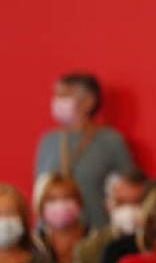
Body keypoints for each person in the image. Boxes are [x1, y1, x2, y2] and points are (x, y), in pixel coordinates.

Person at [33, 73, 135, 229]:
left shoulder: (111, 141)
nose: (57, 101)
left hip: (95, 231)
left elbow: (129, 189)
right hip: (50, 234)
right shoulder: (49, 141)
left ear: (89, 101)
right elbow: (39, 191)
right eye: (56, 95)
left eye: (65, 95)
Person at [65, 169, 146, 263]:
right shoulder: (90, 249)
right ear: (108, 205)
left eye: (137, 203)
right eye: (121, 202)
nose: (129, 210)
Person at [30, 173, 88, 263]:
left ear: (79, 201)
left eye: (67, 197)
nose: (61, 204)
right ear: (41, 205)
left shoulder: (95, 240)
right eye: (52, 199)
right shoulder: (35, 246)